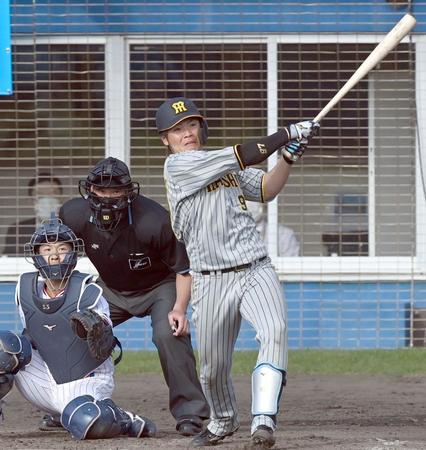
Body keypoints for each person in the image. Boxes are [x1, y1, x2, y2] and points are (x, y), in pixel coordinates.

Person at [157, 97, 319, 448]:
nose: (187, 133)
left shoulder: (224, 163)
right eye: (177, 130)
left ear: (201, 127)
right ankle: (223, 420)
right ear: (166, 140)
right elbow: (247, 153)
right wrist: (286, 133)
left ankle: (263, 422)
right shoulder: (179, 168)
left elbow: (266, 189)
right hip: (211, 279)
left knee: (274, 330)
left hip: (255, 266)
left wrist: (288, 157)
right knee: (212, 370)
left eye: (192, 125)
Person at [57, 156, 210, 436]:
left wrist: (179, 308)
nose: (107, 197)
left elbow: (184, 270)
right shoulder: (73, 214)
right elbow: (59, 254)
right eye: (101, 191)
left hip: (159, 287)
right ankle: (67, 405)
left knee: (169, 333)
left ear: (129, 192)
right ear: (90, 191)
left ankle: (191, 412)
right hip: (112, 289)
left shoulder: (154, 219)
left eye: (115, 191)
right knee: (72, 327)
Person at [0, 216, 157, 440]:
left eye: (62, 248)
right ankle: (59, 413)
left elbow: (104, 345)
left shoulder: (89, 292)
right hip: (44, 380)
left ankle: (121, 418)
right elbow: (32, 337)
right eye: (46, 248)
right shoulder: (23, 289)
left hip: (86, 380)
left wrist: (94, 329)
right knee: (3, 346)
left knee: (87, 420)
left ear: (73, 253)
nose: (54, 255)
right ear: (37, 254)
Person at [3, 172, 63, 256]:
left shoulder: (74, 228)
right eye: (41, 196)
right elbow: (8, 261)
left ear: (61, 198)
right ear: (31, 202)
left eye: (52, 194)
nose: (47, 201)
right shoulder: (17, 231)